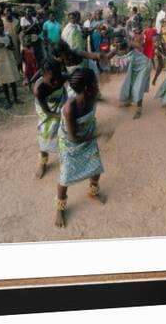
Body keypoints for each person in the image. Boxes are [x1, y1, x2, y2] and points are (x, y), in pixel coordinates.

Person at [55, 68, 106, 228]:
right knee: (66, 175)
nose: (98, 85)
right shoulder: (70, 108)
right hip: (71, 143)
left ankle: (93, 191)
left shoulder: (92, 96)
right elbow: (74, 138)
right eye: (95, 83)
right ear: (86, 88)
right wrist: (99, 135)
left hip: (87, 135)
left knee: (96, 167)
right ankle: (59, 208)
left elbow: (101, 100)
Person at [33, 59, 68, 179]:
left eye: (58, 77)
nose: (56, 82)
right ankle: (42, 160)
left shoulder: (61, 78)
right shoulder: (39, 90)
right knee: (46, 132)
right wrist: (61, 115)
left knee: (65, 130)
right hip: (46, 110)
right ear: (43, 76)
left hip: (60, 99)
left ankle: (66, 156)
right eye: (52, 79)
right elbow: (47, 113)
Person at [108, 37, 152, 119]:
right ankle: (129, 101)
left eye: (118, 43)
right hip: (136, 67)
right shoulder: (119, 50)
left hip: (144, 66)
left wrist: (132, 42)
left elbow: (119, 63)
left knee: (138, 87)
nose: (116, 45)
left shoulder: (129, 48)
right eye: (115, 43)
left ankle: (139, 109)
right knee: (130, 84)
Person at [0, 17, 22, 107]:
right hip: (1, 61)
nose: (0, 28)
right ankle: (8, 100)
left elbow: (13, 47)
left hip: (10, 60)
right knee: (4, 82)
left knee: (13, 80)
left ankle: (15, 98)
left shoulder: (8, 36)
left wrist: (7, 46)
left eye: (1, 25)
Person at [2, 5, 23, 73]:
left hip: (17, 43)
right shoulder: (2, 22)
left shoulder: (17, 21)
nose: (8, 12)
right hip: (8, 45)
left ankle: (20, 73)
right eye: (6, 11)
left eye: (9, 11)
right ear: (3, 12)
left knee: (19, 59)